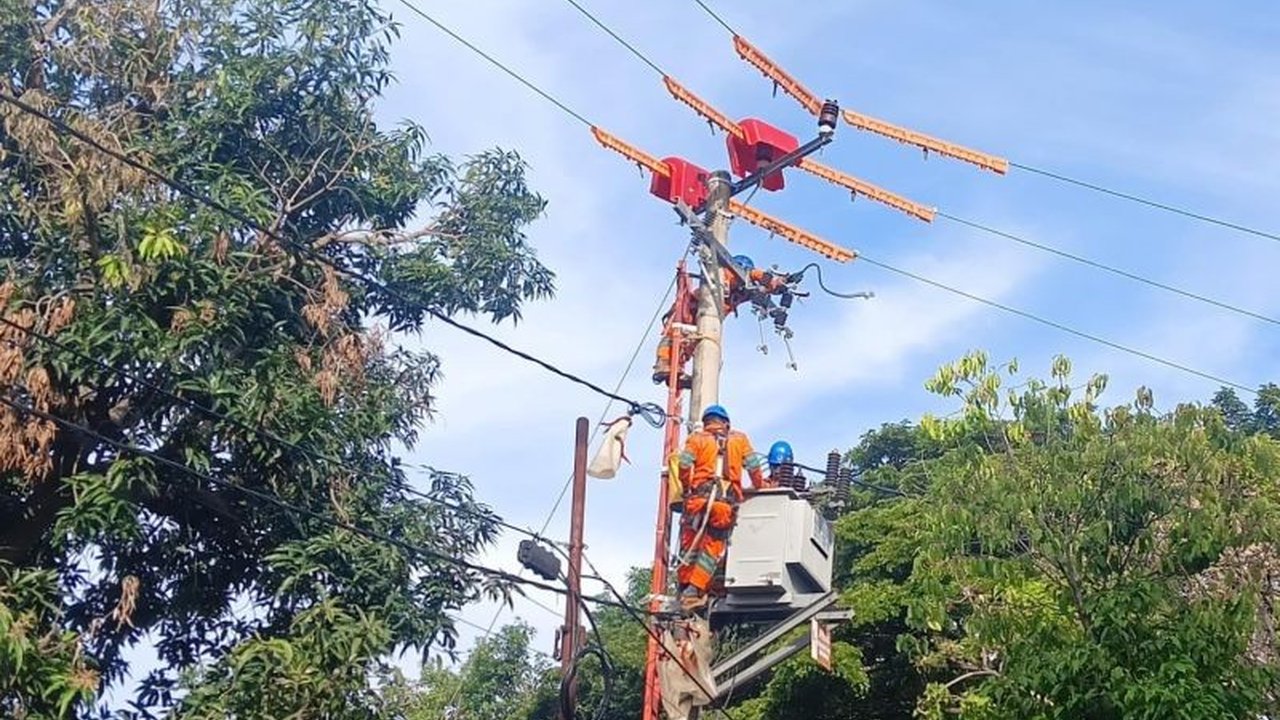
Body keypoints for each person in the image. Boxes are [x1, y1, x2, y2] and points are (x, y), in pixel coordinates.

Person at [672, 404, 768, 610]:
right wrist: (759, 486)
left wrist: (688, 487)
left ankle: (684, 587)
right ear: (726, 423)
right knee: (711, 548)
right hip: (723, 504)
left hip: (698, 500)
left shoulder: (696, 439)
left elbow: (684, 464)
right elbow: (753, 466)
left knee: (690, 544)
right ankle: (695, 590)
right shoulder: (739, 439)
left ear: (706, 422)